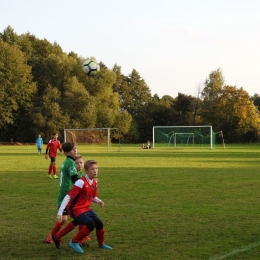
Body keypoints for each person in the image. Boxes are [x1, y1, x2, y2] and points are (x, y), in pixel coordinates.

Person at [51, 159, 112, 254]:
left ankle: (101, 244)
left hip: (85, 208)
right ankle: (74, 242)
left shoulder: (94, 182)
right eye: (92, 169)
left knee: (99, 224)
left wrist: (99, 201)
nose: (95, 171)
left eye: (96, 168)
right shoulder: (80, 182)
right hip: (75, 208)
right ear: (86, 171)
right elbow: (68, 197)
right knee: (90, 224)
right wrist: (60, 212)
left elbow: (92, 196)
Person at [45, 142, 79, 244]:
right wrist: (86, 183)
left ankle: (51, 236)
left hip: (64, 192)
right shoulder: (71, 163)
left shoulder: (67, 161)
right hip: (68, 193)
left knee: (64, 219)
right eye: (73, 149)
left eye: (76, 148)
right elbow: (74, 179)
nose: (76, 150)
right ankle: (81, 238)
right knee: (81, 214)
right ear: (67, 153)